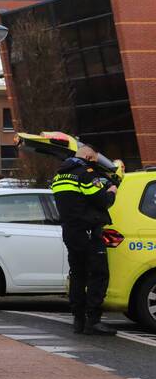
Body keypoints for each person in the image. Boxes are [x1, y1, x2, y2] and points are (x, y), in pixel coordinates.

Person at [51, 144, 118, 336]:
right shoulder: (86, 174)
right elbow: (102, 200)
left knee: (78, 275)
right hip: (89, 232)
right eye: (95, 160)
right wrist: (112, 190)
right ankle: (93, 320)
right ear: (89, 156)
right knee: (99, 274)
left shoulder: (59, 176)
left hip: (71, 232)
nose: (96, 165)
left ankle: (78, 320)